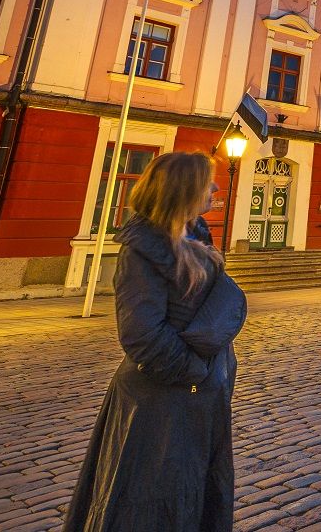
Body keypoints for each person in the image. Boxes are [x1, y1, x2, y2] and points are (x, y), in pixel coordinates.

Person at [63, 152, 247, 532]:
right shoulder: (143, 248)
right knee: (150, 500)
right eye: (205, 182)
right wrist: (196, 372)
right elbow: (142, 335)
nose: (214, 188)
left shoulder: (196, 233)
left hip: (201, 396)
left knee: (197, 489)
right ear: (181, 190)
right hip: (160, 400)